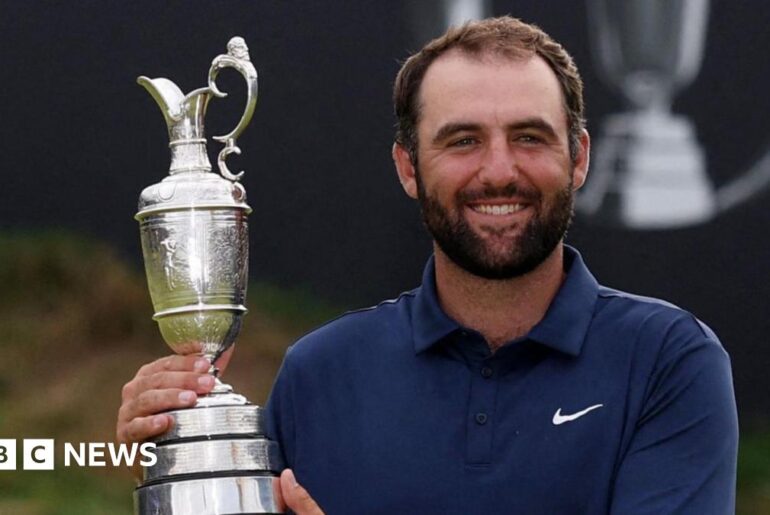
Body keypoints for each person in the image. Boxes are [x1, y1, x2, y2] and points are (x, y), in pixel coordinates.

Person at [117, 16, 738, 514]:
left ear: (577, 159)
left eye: (529, 137)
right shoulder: (319, 375)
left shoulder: (668, 362)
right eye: (462, 140)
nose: (499, 170)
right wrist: (180, 455)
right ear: (409, 167)